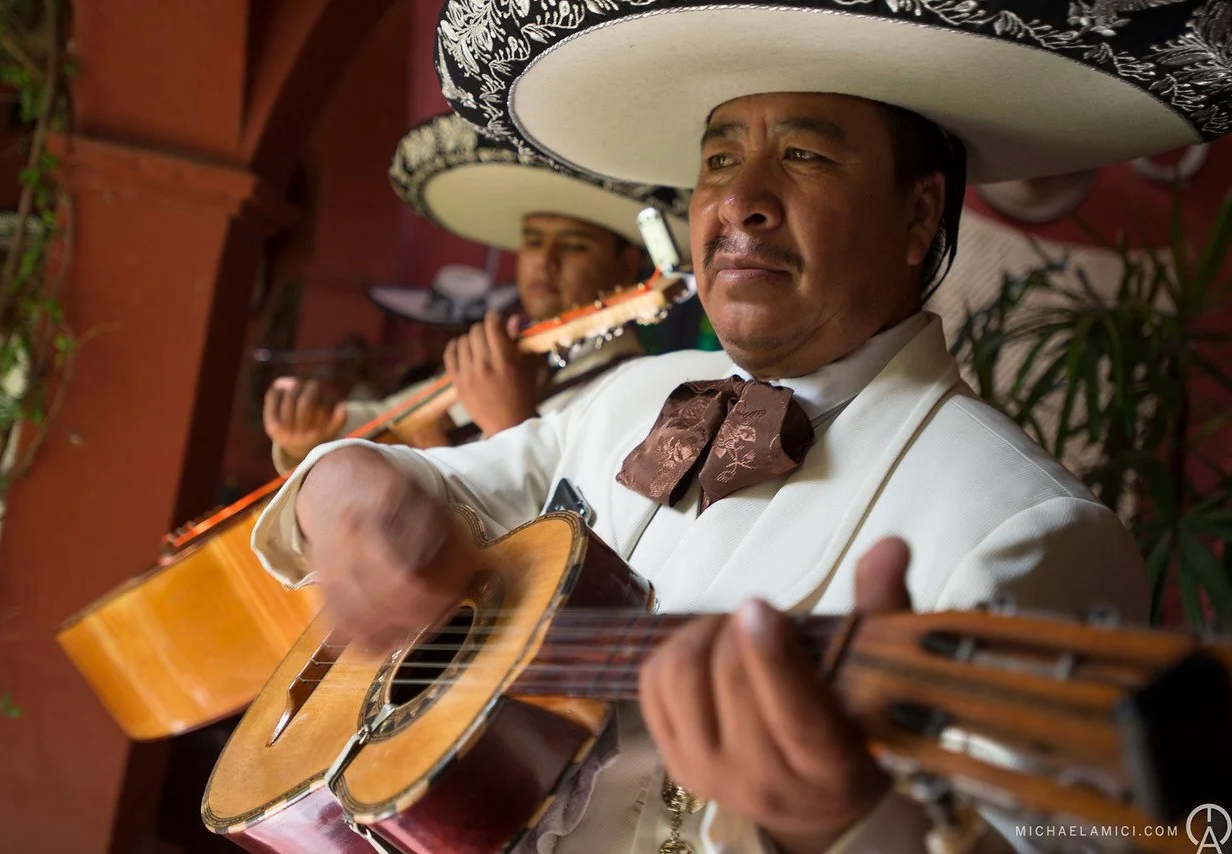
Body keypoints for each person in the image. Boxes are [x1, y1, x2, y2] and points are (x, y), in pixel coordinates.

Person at [252, 2, 1232, 850]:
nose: (740, 203)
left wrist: (847, 822)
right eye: (719, 158)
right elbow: (435, 486)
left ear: (917, 213)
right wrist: (353, 492)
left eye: (802, 155)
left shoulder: (1025, 529)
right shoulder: (635, 392)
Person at [263, 111, 690, 473]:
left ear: (626, 264)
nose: (546, 261)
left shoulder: (635, 387)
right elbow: (384, 420)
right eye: (533, 240)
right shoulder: (513, 353)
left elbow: (580, 516)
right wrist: (312, 430)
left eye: (575, 245)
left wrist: (507, 426)